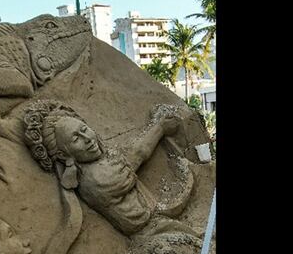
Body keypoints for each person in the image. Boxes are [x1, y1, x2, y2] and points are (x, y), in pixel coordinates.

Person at [23, 99, 197, 237]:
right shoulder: (94, 178)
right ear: (64, 155)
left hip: (160, 219)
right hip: (152, 230)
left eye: (84, 129)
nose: (87, 138)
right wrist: (160, 127)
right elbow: (137, 154)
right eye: (76, 139)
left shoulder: (99, 160)